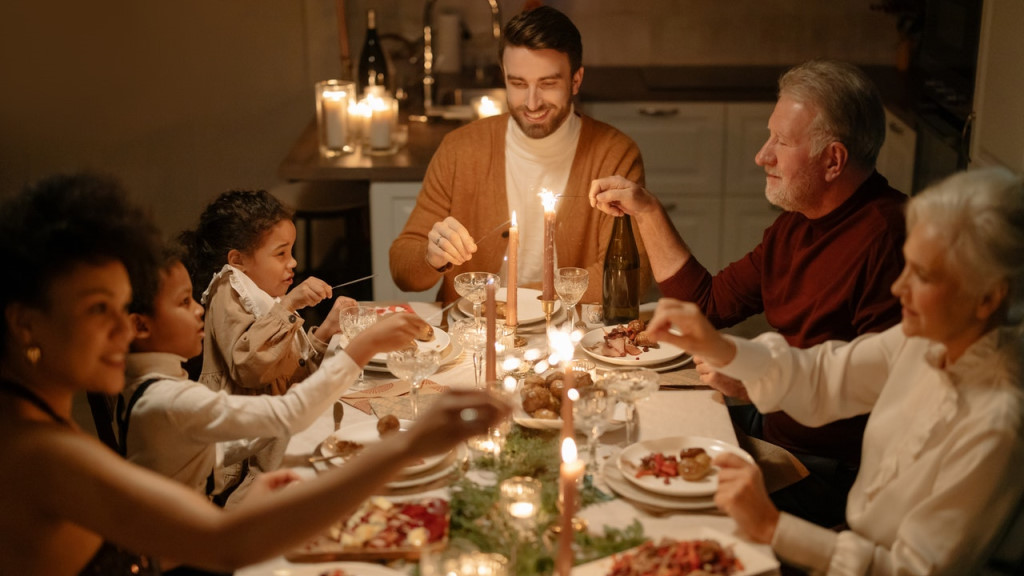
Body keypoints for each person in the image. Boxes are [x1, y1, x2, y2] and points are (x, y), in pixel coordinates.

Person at [0, 172, 508, 575]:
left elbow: (154, 542)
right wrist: (409, 445)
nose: (123, 331)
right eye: (96, 310)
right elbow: (225, 546)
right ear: (25, 323)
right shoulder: (38, 454)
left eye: (121, 307)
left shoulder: (39, 422)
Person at [646, 167, 1024, 575]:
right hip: (846, 545)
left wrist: (774, 527)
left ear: (988, 299)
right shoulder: (927, 340)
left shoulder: (997, 423)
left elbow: (911, 570)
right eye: (907, 266)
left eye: (924, 275)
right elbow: (824, 376)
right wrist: (719, 346)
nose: (900, 288)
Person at [589, 59, 907, 526]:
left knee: (649, 511)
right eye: (769, 135)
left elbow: (881, 392)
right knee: (626, 444)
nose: (762, 155)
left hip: (830, 473)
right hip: (774, 431)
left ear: (833, 160)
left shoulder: (891, 238)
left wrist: (759, 386)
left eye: (782, 141)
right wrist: (647, 211)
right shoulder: (796, 225)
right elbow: (708, 306)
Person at [121, 245, 426, 504]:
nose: (199, 309)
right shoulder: (167, 401)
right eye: (184, 302)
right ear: (141, 326)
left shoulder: (159, 389)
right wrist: (365, 345)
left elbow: (215, 446)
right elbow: (288, 412)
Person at [390, 5, 651, 305]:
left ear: (576, 81)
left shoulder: (614, 154)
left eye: (548, 84)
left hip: (566, 336)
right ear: (503, 76)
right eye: (517, 84)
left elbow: (629, 278)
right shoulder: (460, 149)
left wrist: (514, 300)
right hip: (472, 336)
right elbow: (402, 269)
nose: (531, 102)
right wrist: (430, 257)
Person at [179, 189, 349, 397]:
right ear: (237, 261)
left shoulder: (267, 296)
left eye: (291, 252)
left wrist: (326, 331)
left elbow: (289, 373)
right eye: (281, 253)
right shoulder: (227, 288)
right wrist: (288, 304)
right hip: (241, 426)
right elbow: (249, 369)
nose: (293, 262)